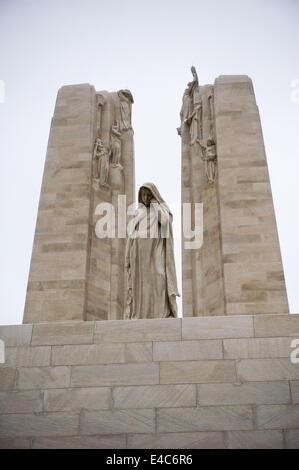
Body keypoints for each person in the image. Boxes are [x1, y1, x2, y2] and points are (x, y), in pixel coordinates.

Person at [125, 183, 180, 319]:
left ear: (153, 195)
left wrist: (156, 206)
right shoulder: (138, 212)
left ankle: (162, 312)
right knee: (142, 283)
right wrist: (128, 256)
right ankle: (141, 313)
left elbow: (166, 222)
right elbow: (131, 234)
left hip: (156, 248)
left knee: (159, 276)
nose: (146, 197)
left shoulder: (161, 208)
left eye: (149, 194)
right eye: (143, 194)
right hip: (139, 253)